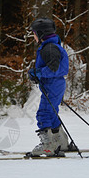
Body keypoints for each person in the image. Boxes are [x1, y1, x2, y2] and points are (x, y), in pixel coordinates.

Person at [28, 17, 70, 157]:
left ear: (41, 33)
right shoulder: (51, 46)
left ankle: (47, 146)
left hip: (53, 84)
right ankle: (61, 143)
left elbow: (53, 69)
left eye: (34, 33)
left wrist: (37, 73)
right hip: (56, 84)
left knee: (44, 113)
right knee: (52, 112)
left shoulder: (49, 48)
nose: (33, 36)